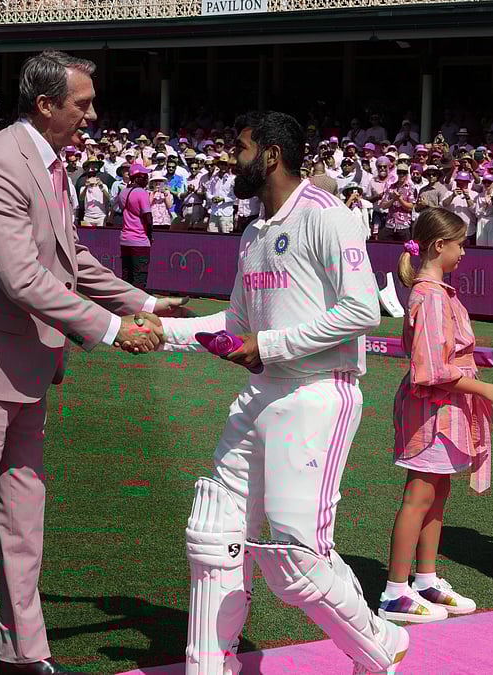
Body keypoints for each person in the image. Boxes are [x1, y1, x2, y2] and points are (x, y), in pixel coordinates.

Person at [0, 50, 183, 675]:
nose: (92, 114)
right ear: (46, 104)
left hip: (25, 367)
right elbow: (24, 278)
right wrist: (114, 329)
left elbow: (70, 259)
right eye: (82, 103)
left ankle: (24, 651)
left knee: (23, 521)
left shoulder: (50, 165)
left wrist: (142, 300)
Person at [155, 111, 407, 675]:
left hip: (318, 395)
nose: (230, 158)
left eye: (239, 147)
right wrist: (159, 332)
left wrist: (271, 345)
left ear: (270, 154)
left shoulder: (328, 216)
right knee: (214, 531)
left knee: (295, 565)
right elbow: (237, 323)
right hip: (260, 397)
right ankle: (209, 666)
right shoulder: (253, 234)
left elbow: (363, 309)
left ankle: (378, 647)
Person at [380, 208, 493, 624]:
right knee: (419, 496)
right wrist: (481, 387)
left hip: (445, 411)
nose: (464, 253)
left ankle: (425, 578)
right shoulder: (430, 295)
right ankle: (395, 591)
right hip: (432, 413)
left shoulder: (435, 292)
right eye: (461, 244)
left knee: (437, 496)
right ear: (440, 246)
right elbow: (431, 369)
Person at [118, 162, 154, 290]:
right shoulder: (141, 193)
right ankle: (139, 307)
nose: (147, 179)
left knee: (127, 276)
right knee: (139, 277)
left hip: (125, 239)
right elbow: (148, 218)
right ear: (137, 177)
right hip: (139, 240)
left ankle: (124, 306)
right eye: (145, 176)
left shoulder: (123, 193)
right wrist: (150, 236)